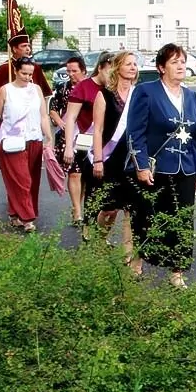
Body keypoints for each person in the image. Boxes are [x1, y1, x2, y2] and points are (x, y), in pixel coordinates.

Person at [127, 44, 196, 289]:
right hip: (155, 169)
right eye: (174, 62)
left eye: (183, 61)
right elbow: (135, 132)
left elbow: (195, 136)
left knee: (183, 220)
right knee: (148, 217)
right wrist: (141, 165)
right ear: (161, 67)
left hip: (185, 169)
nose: (181, 65)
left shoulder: (191, 96)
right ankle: (138, 259)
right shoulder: (146, 92)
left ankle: (177, 271)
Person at [0, 57, 52, 232]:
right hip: (12, 142)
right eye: (24, 73)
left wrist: (49, 137)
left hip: (34, 139)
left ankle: (14, 213)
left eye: (30, 74)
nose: (27, 77)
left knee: (31, 181)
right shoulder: (5, 90)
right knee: (21, 180)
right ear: (16, 71)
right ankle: (27, 219)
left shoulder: (37, 89)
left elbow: (43, 115)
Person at [88, 51, 141, 268]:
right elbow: (98, 130)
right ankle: (100, 236)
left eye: (135, 64)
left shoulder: (140, 94)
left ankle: (128, 253)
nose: (133, 68)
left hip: (132, 159)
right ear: (117, 67)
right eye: (128, 64)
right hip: (110, 158)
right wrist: (98, 159)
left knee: (130, 208)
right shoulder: (104, 95)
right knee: (110, 209)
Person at [62, 52, 113, 227]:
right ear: (100, 68)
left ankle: (96, 218)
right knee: (77, 174)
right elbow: (70, 117)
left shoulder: (113, 90)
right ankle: (78, 210)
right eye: (109, 70)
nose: (111, 75)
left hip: (105, 143)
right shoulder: (84, 87)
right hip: (82, 140)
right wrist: (69, 146)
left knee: (97, 183)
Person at [48, 55, 88, 220]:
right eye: (68, 71)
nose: (71, 74)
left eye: (74, 71)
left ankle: (78, 204)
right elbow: (53, 108)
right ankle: (77, 211)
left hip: (88, 136)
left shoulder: (91, 88)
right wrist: (61, 123)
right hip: (68, 137)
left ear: (83, 71)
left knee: (85, 175)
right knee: (74, 173)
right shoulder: (63, 89)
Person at [0, 33, 51, 98]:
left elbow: (45, 96)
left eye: (28, 46)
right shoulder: (3, 68)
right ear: (14, 49)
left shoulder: (35, 67)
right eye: (24, 46)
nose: (28, 49)